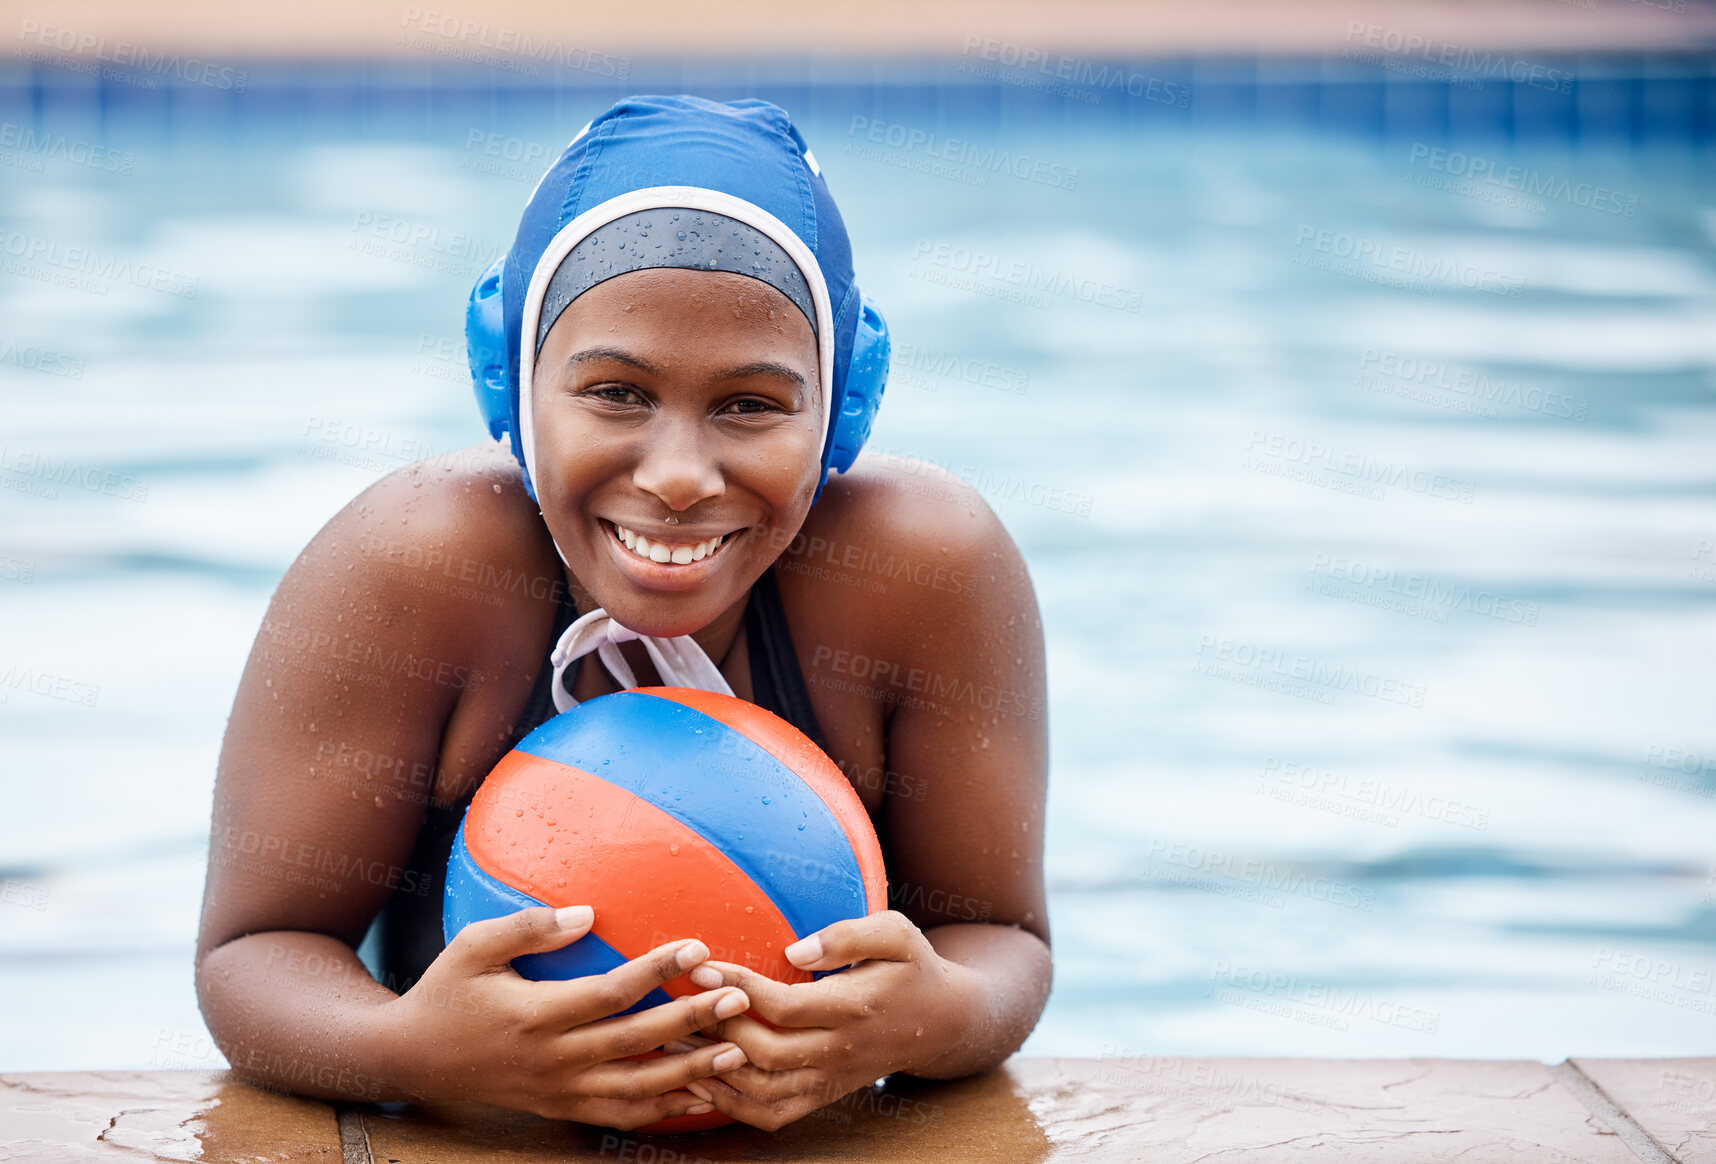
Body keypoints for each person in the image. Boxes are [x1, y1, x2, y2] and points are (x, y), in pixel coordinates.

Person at [195, 93, 1050, 1133]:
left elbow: (1004, 942)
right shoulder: (413, 571)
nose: (680, 476)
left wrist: (934, 1017)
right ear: (510, 384)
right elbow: (252, 955)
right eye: (615, 393)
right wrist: (415, 1048)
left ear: (842, 409)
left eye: (750, 404)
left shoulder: (926, 575)